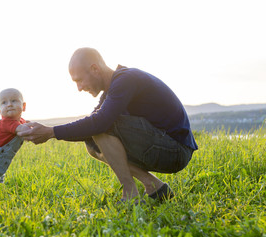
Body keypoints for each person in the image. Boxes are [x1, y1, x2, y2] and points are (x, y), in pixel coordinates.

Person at [18, 48, 198, 204]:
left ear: (95, 69)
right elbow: (92, 123)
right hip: (165, 147)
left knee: (101, 126)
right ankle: (153, 185)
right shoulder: (113, 89)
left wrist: (50, 132)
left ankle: (130, 193)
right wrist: (47, 131)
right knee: (92, 144)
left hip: (176, 150)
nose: (79, 88)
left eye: (79, 80)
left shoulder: (126, 79)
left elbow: (99, 122)